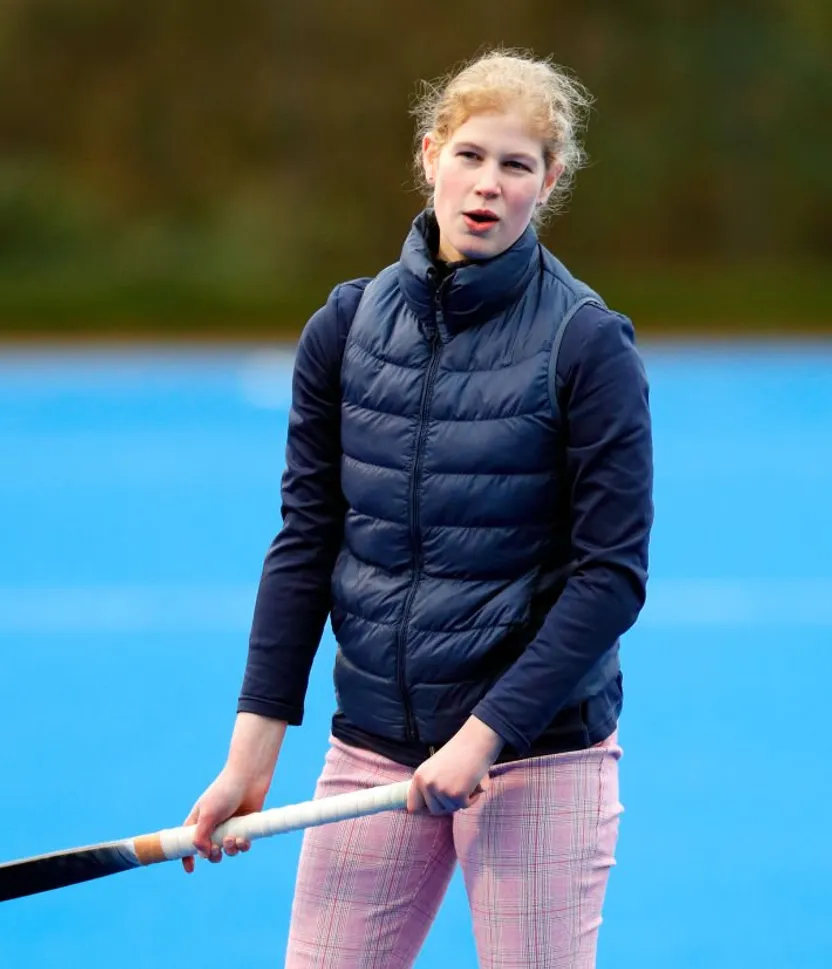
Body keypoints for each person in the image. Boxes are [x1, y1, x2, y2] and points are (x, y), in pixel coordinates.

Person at [180, 48, 654, 969]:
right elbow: (307, 544)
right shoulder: (346, 328)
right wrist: (249, 759)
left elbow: (610, 580)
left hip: (536, 755)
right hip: (374, 747)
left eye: (516, 165)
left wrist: (485, 738)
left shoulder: (589, 346)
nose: (487, 185)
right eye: (471, 155)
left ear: (548, 183)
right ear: (430, 154)